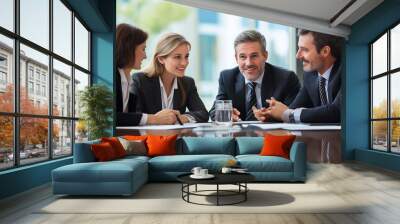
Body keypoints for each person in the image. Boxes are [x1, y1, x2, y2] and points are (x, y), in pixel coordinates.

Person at [209, 30, 300, 121]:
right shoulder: (227, 78)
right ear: (236, 58)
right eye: (243, 57)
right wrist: (227, 115)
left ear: (265, 55)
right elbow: (214, 112)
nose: (248, 63)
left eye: (254, 56)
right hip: (239, 135)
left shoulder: (286, 78)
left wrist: (271, 117)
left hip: (274, 134)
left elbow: (295, 114)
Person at [264, 29, 342, 123]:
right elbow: (293, 108)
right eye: (298, 48)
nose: (298, 55)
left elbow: (336, 112)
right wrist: (272, 114)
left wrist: (287, 113)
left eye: (304, 50)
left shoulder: (347, 71)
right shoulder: (310, 74)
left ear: (325, 51)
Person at [132, 33, 209, 124]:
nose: (184, 63)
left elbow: (203, 114)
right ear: (161, 59)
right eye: (177, 57)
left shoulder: (187, 83)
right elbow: (134, 116)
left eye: (186, 56)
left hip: (176, 137)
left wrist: (180, 118)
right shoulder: (140, 80)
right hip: (147, 137)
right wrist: (157, 119)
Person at [116, 23, 178, 126]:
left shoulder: (128, 80)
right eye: (143, 49)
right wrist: (155, 118)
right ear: (129, 48)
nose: (145, 56)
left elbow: (129, 117)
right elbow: (112, 117)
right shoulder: (113, 77)